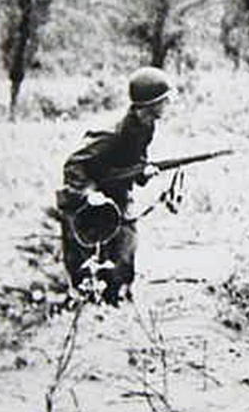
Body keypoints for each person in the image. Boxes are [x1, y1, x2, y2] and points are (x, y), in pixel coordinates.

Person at [56, 67, 171, 305]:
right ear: (149, 105)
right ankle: (84, 308)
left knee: (125, 248)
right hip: (85, 200)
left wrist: (144, 172)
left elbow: (133, 162)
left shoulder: (146, 126)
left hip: (116, 195)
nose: (168, 103)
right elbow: (73, 165)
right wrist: (90, 194)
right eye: (163, 100)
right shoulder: (111, 133)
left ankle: (117, 304)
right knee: (86, 260)